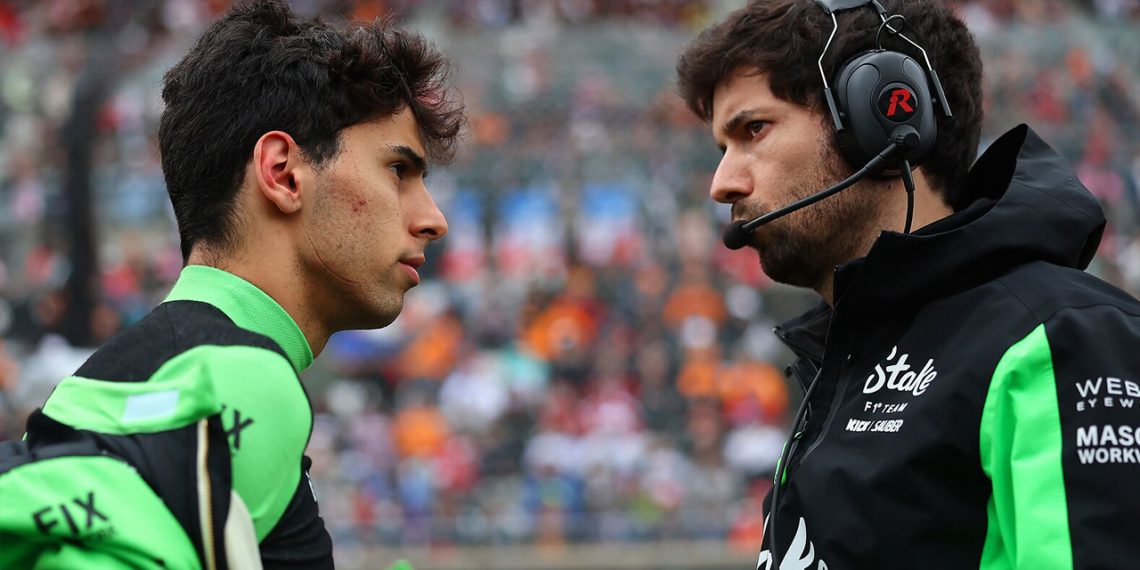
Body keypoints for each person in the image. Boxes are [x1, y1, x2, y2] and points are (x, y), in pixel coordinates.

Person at [676, 0, 1140, 568]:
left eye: (754, 129)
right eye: (722, 149)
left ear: (882, 117)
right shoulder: (843, 364)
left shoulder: (1062, 339)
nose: (722, 183)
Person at [2, 1, 461, 567]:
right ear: (282, 173)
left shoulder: (94, 388)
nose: (434, 218)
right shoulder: (240, 376)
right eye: (399, 170)